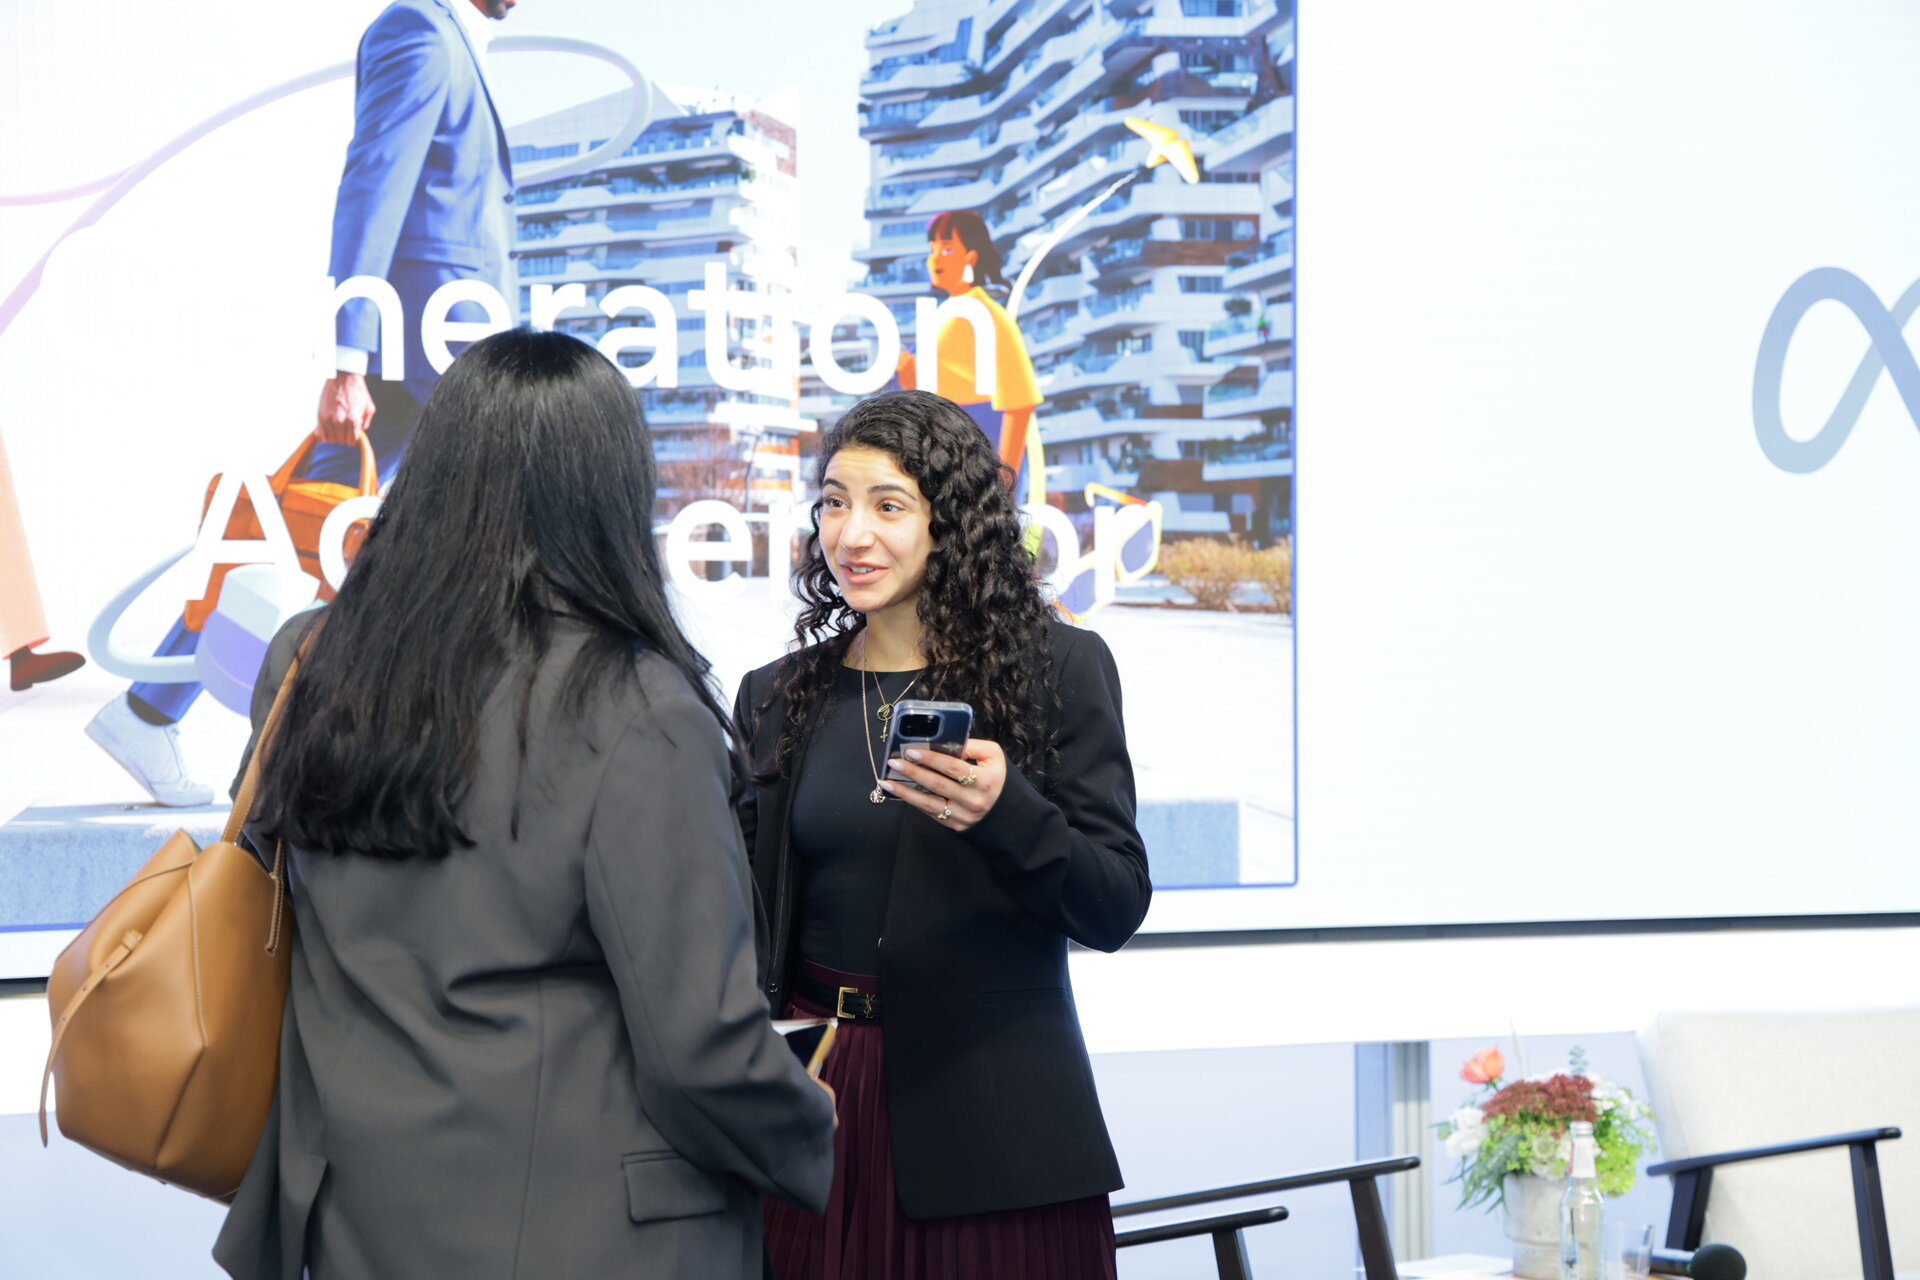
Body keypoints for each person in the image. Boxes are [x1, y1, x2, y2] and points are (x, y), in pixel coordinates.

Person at [213, 330, 835, 1280]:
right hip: (585, 1235)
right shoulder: (634, 707)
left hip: (351, 1217)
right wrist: (811, 1122)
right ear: (608, 492)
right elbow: (697, 1048)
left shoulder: (314, 660)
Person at [736, 389, 1151, 1280]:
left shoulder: (1060, 670)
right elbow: (739, 916)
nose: (852, 535)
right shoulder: (775, 695)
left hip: (994, 1126)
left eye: (888, 506)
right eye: (835, 503)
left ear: (950, 523)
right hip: (815, 1105)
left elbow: (1114, 905)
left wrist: (1008, 814)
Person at [87, 0, 518, 804]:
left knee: (302, 535)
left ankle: (154, 710)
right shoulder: (420, 30)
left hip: (440, 350)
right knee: (365, 534)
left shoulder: (455, 39)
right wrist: (349, 354)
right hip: (417, 349)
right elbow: (373, 183)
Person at [893, 210, 1045, 498]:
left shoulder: (988, 315)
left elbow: (1020, 403)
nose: (936, 259)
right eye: (933, 250)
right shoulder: (946, 315)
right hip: (940, 461)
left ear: (971, 257)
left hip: (974, 463)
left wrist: (1004, 486)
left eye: (948, 249)